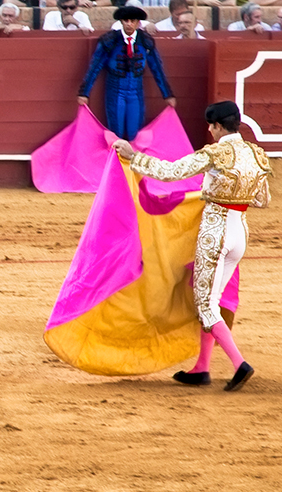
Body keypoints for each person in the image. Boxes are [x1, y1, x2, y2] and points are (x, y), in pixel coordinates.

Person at [112, 100, 271, 391]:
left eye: (212, 125)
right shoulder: (256, 155)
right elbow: (262, 200)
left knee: (205, 306)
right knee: (213, 300)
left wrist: (135, 157)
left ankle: (239, 363)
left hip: (216, 233)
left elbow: (171, 172)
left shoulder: (215, 153)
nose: (210, 131)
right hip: (241, 232)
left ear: (220, 126)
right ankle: (202, 368)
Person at [77, 5, 177, 140]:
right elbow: (95, 67)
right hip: (115, 91)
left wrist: (168, 94)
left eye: (132, 21)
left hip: (136, 92)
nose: (129, 24)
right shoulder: (110, 41)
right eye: (126, 20)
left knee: (134, 134)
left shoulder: (145, 41)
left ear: (138, 23)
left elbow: (157, 69)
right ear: (121, 22)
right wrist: (84, 92)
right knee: (116, 133)